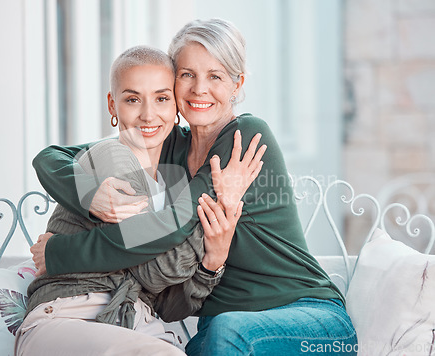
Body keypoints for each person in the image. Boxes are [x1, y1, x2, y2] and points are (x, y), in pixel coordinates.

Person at [31, 19, 358, 355]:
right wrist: (91, 195)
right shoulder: (168, 144)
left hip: (306, 316)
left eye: (215, 76)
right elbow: (52, 157)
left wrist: (59, 253)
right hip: (220, 326)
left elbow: (171, 226)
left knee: (228, 334)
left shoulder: (243, 137)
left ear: (237, 84)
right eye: (187, 74)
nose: (199, 89)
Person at [16, 46, 262, 356]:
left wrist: (213, 261)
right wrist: (219, 206)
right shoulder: (111, 159)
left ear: (176, 106)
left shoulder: (172, 183)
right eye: (133, 99)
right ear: (112, 105)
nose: (148, 114)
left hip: (130, 322)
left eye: (161, 98)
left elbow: (171, 307)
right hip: (68, 315)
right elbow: (152, 273)